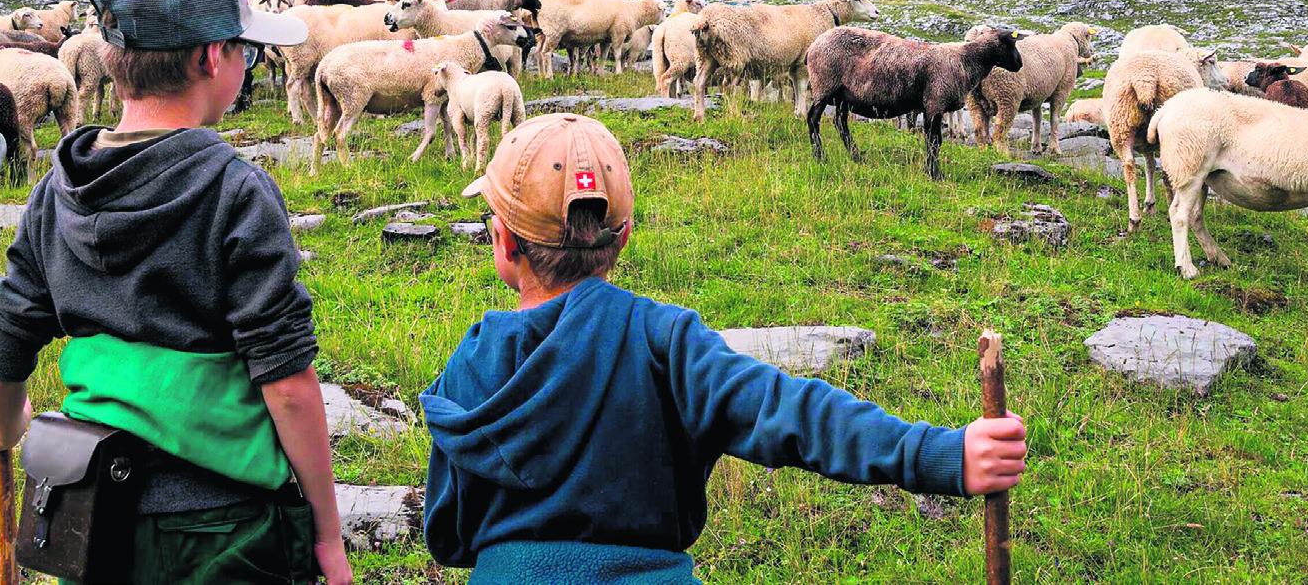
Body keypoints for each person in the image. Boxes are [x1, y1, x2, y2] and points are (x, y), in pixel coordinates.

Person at [420, 113, 1028, 583]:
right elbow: (790, 411)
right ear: (624, 235)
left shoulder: (470, 363)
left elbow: (446, 536)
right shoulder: (665, 341)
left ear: (502, 240)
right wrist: (942, 454)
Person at [0, 0, 353, 585]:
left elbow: (1, 358)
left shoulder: (54, 190)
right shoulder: (235, 189)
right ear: (212, 57)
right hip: (224, 530)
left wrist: (6, 428)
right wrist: (328, 536)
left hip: (90, 525)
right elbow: (286, 384)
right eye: (246, 49)